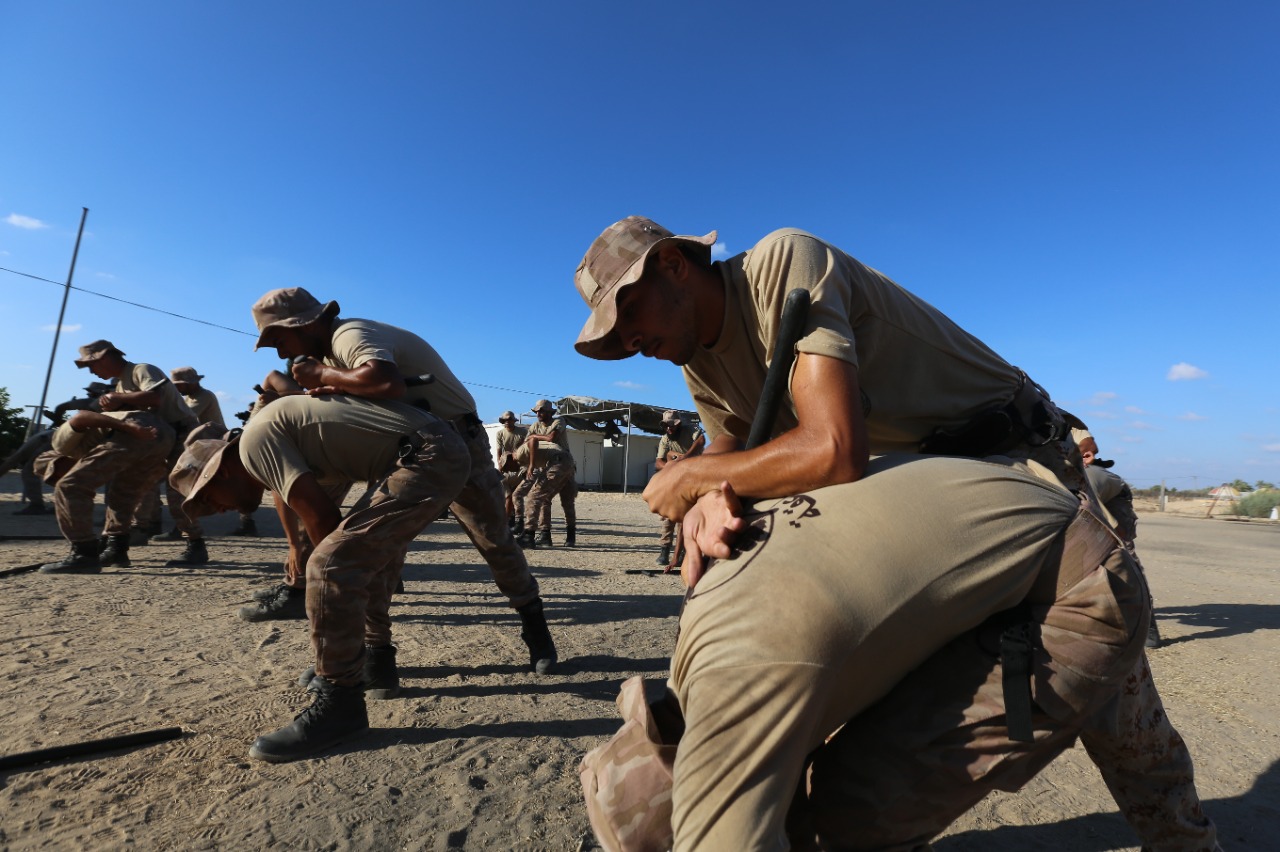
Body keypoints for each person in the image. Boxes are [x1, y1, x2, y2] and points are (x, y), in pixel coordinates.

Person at [572, 216, 1217, 850]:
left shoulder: (780, 263)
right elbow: (731, 448)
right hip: (931, 509)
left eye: (628, 312)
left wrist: (695, 477)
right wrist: (706, 492)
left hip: (1021, 468)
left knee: (1116, 704)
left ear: (675, 265)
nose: (629, 339)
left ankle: (1185, 839)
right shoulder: (698, 362)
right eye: (614, 334)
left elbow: (833, 449)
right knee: (884, 728)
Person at [580, 454, 1219, 850]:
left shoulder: (740, 688)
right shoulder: (701, 634)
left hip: (1067, 588)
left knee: (848, 817)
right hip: (1006, 542)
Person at [249, 287, 556, 672]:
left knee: (494, 541)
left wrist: (323, 375)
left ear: (304, 324)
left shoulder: (349, 335)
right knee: (382, 549)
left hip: (458, 439)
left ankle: (535, 627)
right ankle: (377, 654)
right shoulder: (331, 352)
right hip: (406, 450)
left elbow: (385, 381)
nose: (279, 350)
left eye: (279, 339)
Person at [169, 393, 478, 761]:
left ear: (223, 472)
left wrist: (332, 574)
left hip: (427, 452)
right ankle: (376, 662)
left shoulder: (253, 445)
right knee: (358, 552)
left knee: (331, 563)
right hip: (427, 449)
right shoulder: (262, 447)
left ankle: (340, 701)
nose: (217, 511)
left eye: (208, 498)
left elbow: (322, 519)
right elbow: (295, 503)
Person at [71, 340, 208, 567]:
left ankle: (196, 545)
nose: (91, 371)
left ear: (104, 358)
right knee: (128, 488)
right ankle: (116, 545)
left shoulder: (141, 370)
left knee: (177, 492)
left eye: (91, 365)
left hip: (181, 435)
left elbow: (154, 397)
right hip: (155, 439)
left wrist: (118, 399)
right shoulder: (121, 383)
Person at [35, 408, 174, 574]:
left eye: (56, 474)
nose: (60, 476)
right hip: (163, 434)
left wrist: (130, 428)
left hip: (133, 429)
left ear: (58, 462)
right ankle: (116, 549)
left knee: (70, 486)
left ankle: (83, 554)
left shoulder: (62, 445)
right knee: (124, 493)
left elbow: (82, 416)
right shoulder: (87, 447)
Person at [1074, 427, 1162, 649]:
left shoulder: (1059, 420)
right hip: (1072, 488)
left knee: (1123, 557)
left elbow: (1088, 446)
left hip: (1110, 498)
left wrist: (1076, 455)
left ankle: (1147, 624)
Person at [521, 399, 578, 547]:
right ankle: (545, 535)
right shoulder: (535, 426)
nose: (538, 414)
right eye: (537, 411)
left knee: (566, 501)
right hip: (548, 465)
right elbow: (528, 443)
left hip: (562, 462)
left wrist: (534, 437)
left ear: (549, 412)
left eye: (542, 411)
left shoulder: (559, 421)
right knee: (545, 498)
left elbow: (551, 438)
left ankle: (569, 536)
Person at [652, 410, 705, 565]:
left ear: (679, 424)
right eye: (666, 426)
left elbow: (701, 440)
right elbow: (658, 461)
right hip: (675, 481)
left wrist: (687, 457)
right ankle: (664, 551)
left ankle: (682, 553)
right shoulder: (665, 439)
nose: (669, 429)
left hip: (692, 480)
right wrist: (671, 466)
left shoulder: (691, 431)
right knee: (669, 516)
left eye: (672, 425)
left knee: (686, 518)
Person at [3, 426, 55, 515]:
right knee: (64, 473)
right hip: (66, 439)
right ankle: (65, 504)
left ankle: (36, 505)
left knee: (29, 471)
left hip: (50, 441)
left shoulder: (23, 451)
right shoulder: (30, 444)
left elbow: (9, 463)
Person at [494, 410, 528, 529]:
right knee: (508, 496)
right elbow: (499, 451)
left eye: (509, 420)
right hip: (506, 468)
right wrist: (500, 465)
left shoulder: (523, 432)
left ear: (513, 421)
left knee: (516, 496)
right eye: (505, 420)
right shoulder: (500, 433)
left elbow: (527, 448)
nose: (507, 422)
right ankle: (507, 520)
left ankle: (516, 520)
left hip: (520, 467)